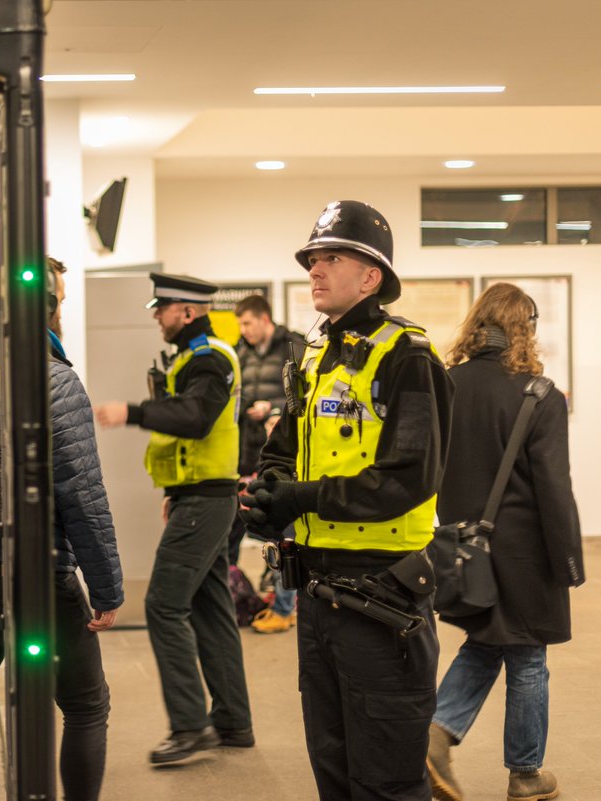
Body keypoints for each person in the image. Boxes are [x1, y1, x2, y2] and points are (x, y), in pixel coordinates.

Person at [246, 200, 454, 801]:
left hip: (379, 594)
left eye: (331, 257)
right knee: (332, 765)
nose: (315, 268)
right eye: (313, 257)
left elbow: (407, 479)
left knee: (385, 777)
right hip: (316, 593)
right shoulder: (315, 354)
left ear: (371, 277)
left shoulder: (408, 358)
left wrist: (302, 498)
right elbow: (285, 446)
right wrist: (270, 492)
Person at [0, 257, 123, 801]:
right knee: (85, 707)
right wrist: (107, 588)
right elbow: (82, 493)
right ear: (53, 307)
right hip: (38, 578)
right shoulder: (56, 383)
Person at [425, 283, 584, 801]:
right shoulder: (538, 394)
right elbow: (554, 488)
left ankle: (437, 732)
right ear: (526, 328)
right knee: (528, 656)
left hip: (464, 547)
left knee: (490, 641)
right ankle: (525, 774)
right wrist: (568, 561)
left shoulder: (446, 385)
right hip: (524, 550)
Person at [94, 272, 254, 765]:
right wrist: (176, 490)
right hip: (196, 497)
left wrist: (132, 412)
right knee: (210, 609)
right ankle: (232, 722)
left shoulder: (210, 357)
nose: (156, 316)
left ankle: (189, 727)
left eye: (160, 308)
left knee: (164, 605)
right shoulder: (190, 356)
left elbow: (194, 418)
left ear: (186, 311)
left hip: (206, 502)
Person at [227, 296, 306, 568]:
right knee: (236, 527)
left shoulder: (294, 346)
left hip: (283, 455)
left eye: (247, 323)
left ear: (264, 319)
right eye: (240, 324)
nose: (243, 330)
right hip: (247, 452)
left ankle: (284, 604)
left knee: (285, 532)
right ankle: (238, 597)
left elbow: (305, 397)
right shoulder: (240, 352)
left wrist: (273, 408)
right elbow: (234, 396)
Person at [249, 408, 297, 634]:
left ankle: (282, 612)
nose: (272, 429)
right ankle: (284, 608)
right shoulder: (268, 454)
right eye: (269, 425)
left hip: (291, 516)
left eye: (276, 424)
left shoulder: (292, 454)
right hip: (279, 515)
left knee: (285, 558)